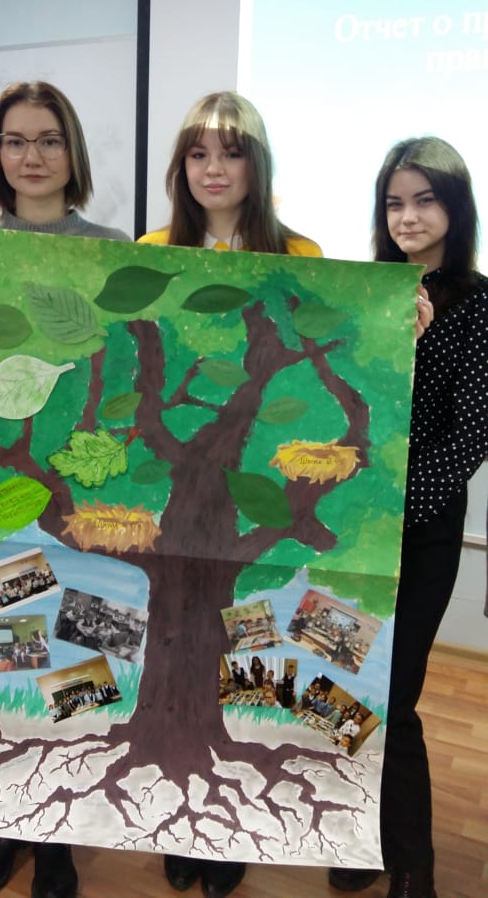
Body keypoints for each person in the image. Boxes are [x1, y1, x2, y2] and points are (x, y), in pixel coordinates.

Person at [0, 80, 130, 898]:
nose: (31, 155)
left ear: (71, 151)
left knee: (78, 651)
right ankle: (6, 821)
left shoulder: (110, 247)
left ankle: (59, 838)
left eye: (48, 139)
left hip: (72, 487)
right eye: (14, 140)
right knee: (1, 653)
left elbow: (120, 373)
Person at [138, 90, 324, 898]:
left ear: (258, 163)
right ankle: (176, 812)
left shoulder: (303, 255)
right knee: (176, 629)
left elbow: (308, 382)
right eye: (197, 154)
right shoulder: (150, 252)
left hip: (252, 478)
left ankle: (222, 834)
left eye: (231, 152)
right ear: (180, 167)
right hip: (175, 478)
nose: (213, 169)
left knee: (232, 633)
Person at [328, 137, 487, 898]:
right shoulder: (368, 292)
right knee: (337, 680)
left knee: (393, 698)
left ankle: (412, 865)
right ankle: (357, 830)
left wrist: (397, 507)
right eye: (394, 203)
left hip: (419, 531)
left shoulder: (480, 302)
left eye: (424, 200)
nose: (408, 217)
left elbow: (470, 433)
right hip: (348, 523)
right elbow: (343, 402)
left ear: (455, 207)